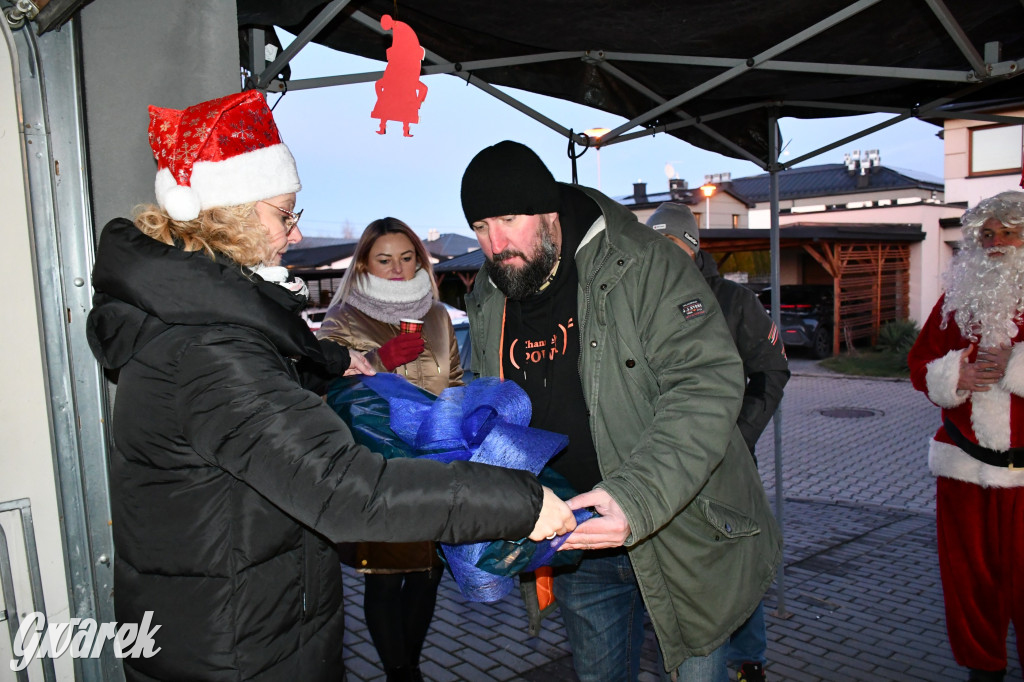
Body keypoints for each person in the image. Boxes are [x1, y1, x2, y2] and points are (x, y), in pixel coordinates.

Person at [85, 92, 575, 682]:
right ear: (234, 214)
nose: (293, 233)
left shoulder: (192, 326)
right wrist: (516, 501)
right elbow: (347, 494)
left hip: (231, 622)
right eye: (283, 212)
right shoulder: (210, 353)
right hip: (238, 651)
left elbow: (265, 362)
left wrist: (329, 359)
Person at [459, 140, 783, 682]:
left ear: (548, 211)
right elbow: (485, 395)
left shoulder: (644, 264)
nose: (496, 243)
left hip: (678, 527)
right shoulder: (491, 293)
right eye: (481, 226)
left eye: (509, 220)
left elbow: (706, 383)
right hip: (575, 536)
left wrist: (635, 497)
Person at [646, 202, 790, 682]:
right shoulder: (639, 304)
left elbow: (771, 370)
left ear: (692, 248)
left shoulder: (733, 301)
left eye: (670, 249)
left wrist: (739, 437)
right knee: (685, 567)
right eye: (653, 249)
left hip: (726, 464)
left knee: (738, 558)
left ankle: (747, 660)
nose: (661, 260)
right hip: (666, 463)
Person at [317, 217, 461, 682]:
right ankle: (399, 672)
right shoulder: (343, 317)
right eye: (384, 260)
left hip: (436, 465)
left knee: (427, 574)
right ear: (363, 263)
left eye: (407, 258)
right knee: (385, 575)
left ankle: (410, 666)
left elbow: (453, 383)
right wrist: (381, 360)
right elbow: (321, 391)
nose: (398, 269)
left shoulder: (438, 316)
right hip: (376, 471)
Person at [908, 190, 1024, 682]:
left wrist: (1016, 368)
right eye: (986, 235)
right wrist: (955, 375)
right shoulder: (955, 303)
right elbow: (918, 364)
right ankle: (984, 671)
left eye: (1007, 232)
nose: (995, 242)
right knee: (970, 585)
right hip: (964, 470)